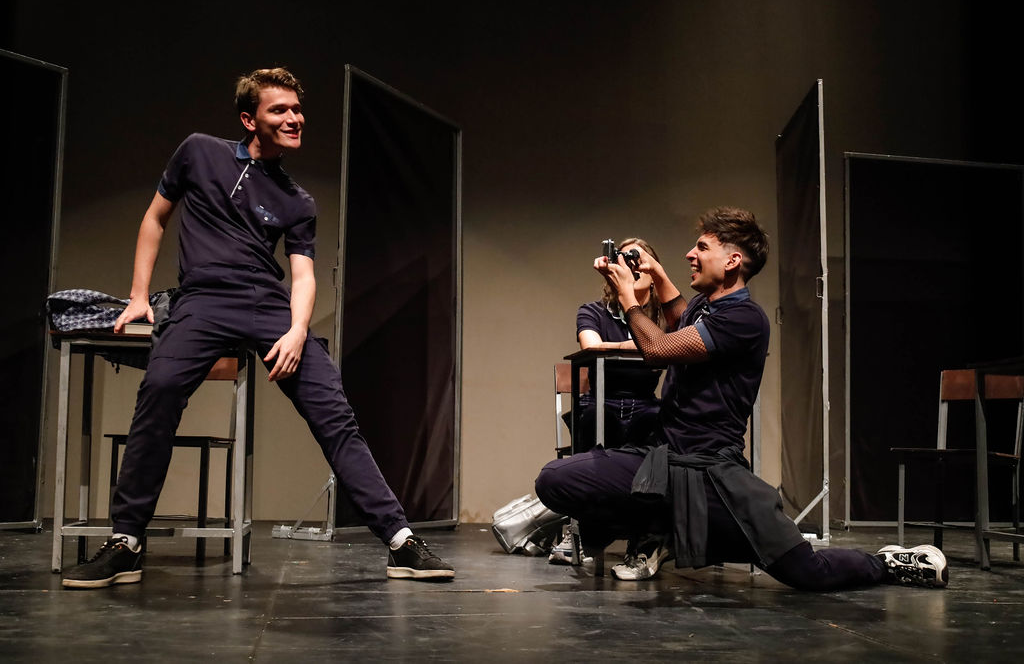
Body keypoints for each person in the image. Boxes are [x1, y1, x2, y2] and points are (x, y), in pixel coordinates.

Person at [62, 68, 454, 589]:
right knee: (159, 390)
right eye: (280, 110)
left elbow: (303, 275)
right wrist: (138, 294)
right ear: (250, 119)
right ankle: (126, 542)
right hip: (203, 299)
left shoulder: (298, 200)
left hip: (268, 305)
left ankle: (401, 540)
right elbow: (155, 218)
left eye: (297, 109)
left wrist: (297, 331)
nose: (294, 118)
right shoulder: (199, 152)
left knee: (334, 414)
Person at [535, 207, 947, 590]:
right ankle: (661, 527)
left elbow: (659, 349)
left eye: (702, 248)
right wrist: (657, 274)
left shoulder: (746, 318)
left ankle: (887, 563)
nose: (690, 254)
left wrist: (628, 297)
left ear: (732, 261)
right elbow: (681, 318)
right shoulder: (705, 306)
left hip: (712, 473)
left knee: (806, 572)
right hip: (664, 461)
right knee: (555, 480)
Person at [570, 238, 664, 453]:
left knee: (661, 424)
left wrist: (617, 345)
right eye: (625, 262)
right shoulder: (593, 311)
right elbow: (592, 347)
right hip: (601, 402)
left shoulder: (663, 316)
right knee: (596, 421)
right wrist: (638, 344)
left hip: (645, 403)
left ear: (653, 274)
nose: (632, 269)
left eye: (638, 261)